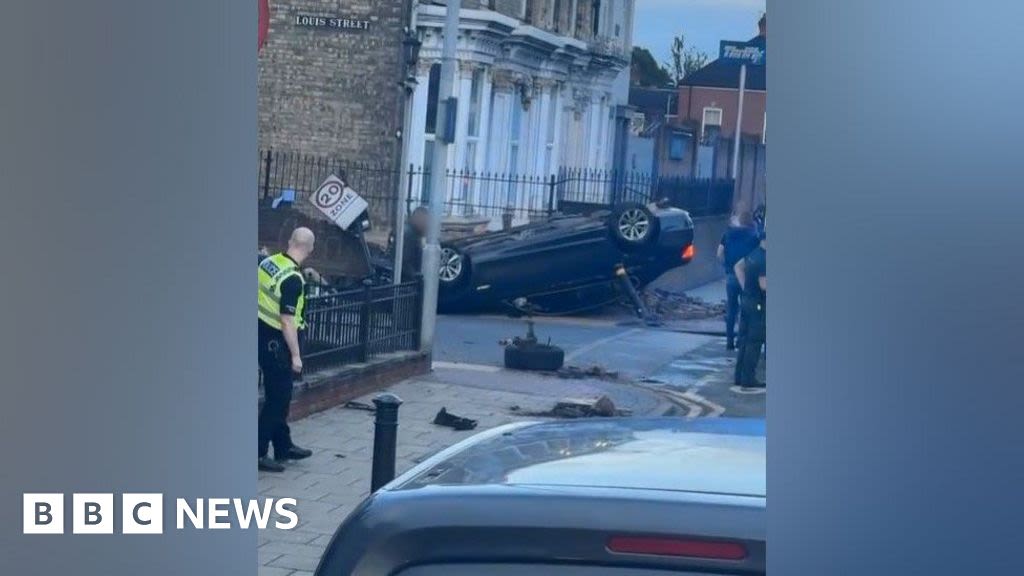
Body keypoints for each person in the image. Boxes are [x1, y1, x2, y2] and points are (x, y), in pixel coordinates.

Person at [258, 227, 316, 472]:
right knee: (277, 399)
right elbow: (287, 320)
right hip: (278, 345)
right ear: (310, 249)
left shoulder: (270, 263)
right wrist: (296, 355)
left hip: (261, 334)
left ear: (290, 241)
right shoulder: (293, 279)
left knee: (281, 395)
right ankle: (257, 452)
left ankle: (283, 445)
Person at [718, 209, 761, 350]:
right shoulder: (754, 235)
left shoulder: (728, 234)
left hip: (731, 275)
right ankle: (741, 340)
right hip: (747, 276)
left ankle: (729, 340)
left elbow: (719, 253)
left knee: (731, 308)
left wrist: (726, 265)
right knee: (746, 307)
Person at [734, 226, 766, 390]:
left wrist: (745, 285)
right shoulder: (765, 259)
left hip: (746, 299)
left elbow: (737, 267)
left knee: (744, 340)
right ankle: (748, 378)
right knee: (754, 342)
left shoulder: (754, 254)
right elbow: (764, 285)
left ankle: (739, 376)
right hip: (758, 305)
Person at [400, 206, 429, 282]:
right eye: (425, 221)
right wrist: (416, 277)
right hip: (406, 282)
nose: (427, 226)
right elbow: (405, 261)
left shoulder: (412, 233)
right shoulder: (409, 235)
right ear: (418, 219)